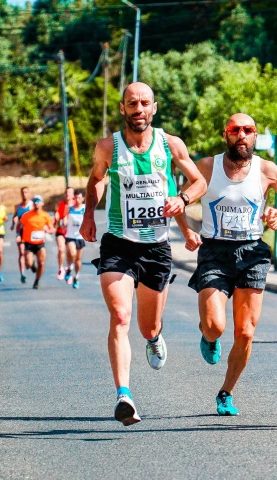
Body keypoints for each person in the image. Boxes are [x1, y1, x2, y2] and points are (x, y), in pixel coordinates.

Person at [81, 82, 207, 426]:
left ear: (154, 108)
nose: (138, 109)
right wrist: (89, 214)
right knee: (120, 316)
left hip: (156, 247)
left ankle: (154, 336)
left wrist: (182, 201)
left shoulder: (170, 144)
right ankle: (124, 395)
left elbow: (198, 181)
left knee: (146, 325)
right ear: (123, 108)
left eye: (144, 103)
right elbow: (95, 180)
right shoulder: (109, 146)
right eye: (132, 103)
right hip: (118, 243)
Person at [177, 113, 277, 416]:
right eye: (235, 130)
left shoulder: (267, 170)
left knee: (246, 332)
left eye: (247, 130)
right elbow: (180, 200)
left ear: (255, 136)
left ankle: (226, 392)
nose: (241, 135)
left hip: (252, 252)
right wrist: (186, 231)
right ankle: (208, 336)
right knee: (214, 326)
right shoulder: (207, 168)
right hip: (214, 251)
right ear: (226, 134)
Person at [18, 195, 54, 289]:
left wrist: (47, 230)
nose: (36, 203)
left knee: (42, 263)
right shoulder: (27, 215)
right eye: (34, 201)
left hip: (40, 243)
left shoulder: (45, 215)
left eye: (38, 201)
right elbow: (20, 226)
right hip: (29, 243)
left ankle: (37, 281)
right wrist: (18, 236)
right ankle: (32, 265)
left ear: (42, 203)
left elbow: (52, 229)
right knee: (28, 263)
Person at [64, 190, 86, 289]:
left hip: (80, 237)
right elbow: (64, 218)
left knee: (78, 259)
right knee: (72, 254)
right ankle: (69, 268)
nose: (77, 200)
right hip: (70, 236)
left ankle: (76, 277)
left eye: (79, 198)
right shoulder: (69, 208)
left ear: (83, 199)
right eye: (75, 198)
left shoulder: (85, 209)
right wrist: (64, 222)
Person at [11, 187, 33, 284]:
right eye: (23, 192)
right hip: (20, 232)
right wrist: (13, 222)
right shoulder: (18, 206)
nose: (24, 194)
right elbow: (15, 215)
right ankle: (22, 274)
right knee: (21, 252)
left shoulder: (32, 206)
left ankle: (31, 264)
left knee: (29, 254)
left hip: (30, 232)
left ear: (29, 193)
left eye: (26, 192)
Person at [54, 187, 74, 282]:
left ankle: (68, 270)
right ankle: (61, 268)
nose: (68, 194)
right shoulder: (60, 204)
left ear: (73, 195)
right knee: (61, 249)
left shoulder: (75, 205)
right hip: (60, 231)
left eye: (70, 193)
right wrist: (56, 217)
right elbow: (57, 215)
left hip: (71, 232)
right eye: (66, 192)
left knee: (70, 253)